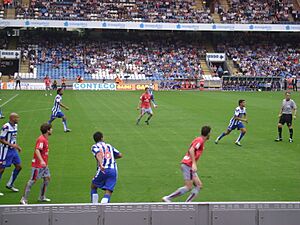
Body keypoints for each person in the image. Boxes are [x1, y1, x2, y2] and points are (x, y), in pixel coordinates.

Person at [162, 126, 211, 202]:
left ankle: (187, 203)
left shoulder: (199, 140)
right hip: (188, 165)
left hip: (187, 164)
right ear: (208, 134)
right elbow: (191, 149)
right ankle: (168, 198)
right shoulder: (200, 140)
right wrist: (194, 163)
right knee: (188, 187)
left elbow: (190, 148)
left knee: (198, 185)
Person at [20, 123, 53, 204]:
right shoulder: (41, 139)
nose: (52, 130)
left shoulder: (45, 138)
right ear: (47, 130)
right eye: (51, 129)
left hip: (44, 165)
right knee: (32, 181)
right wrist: (41, 160)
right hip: (38, 165)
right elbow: (37, 150)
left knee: (47, 178)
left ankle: (42, 197)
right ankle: (23, 199)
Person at [90, 131, 123, 204]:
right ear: (102, 138)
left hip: (102, 169)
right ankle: (103, 207)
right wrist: (111, 158)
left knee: (93, 186)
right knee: (108, 191)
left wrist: (101, 164)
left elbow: (98, 154)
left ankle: (94, 206)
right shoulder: (109, 146)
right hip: (113, 170)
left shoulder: (94, 146)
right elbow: (120, 155)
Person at [0, 113, 22, 196]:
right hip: (5, 151)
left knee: (19, 167)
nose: (18, 119)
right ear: (12, 118)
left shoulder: (15, 126)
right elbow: (1, 139)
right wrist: (12, 145)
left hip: (13, 151)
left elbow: (13, 138)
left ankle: (10, 184)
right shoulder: (6, 127)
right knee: (1, 169)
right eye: (17, 117)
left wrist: (16, 146)